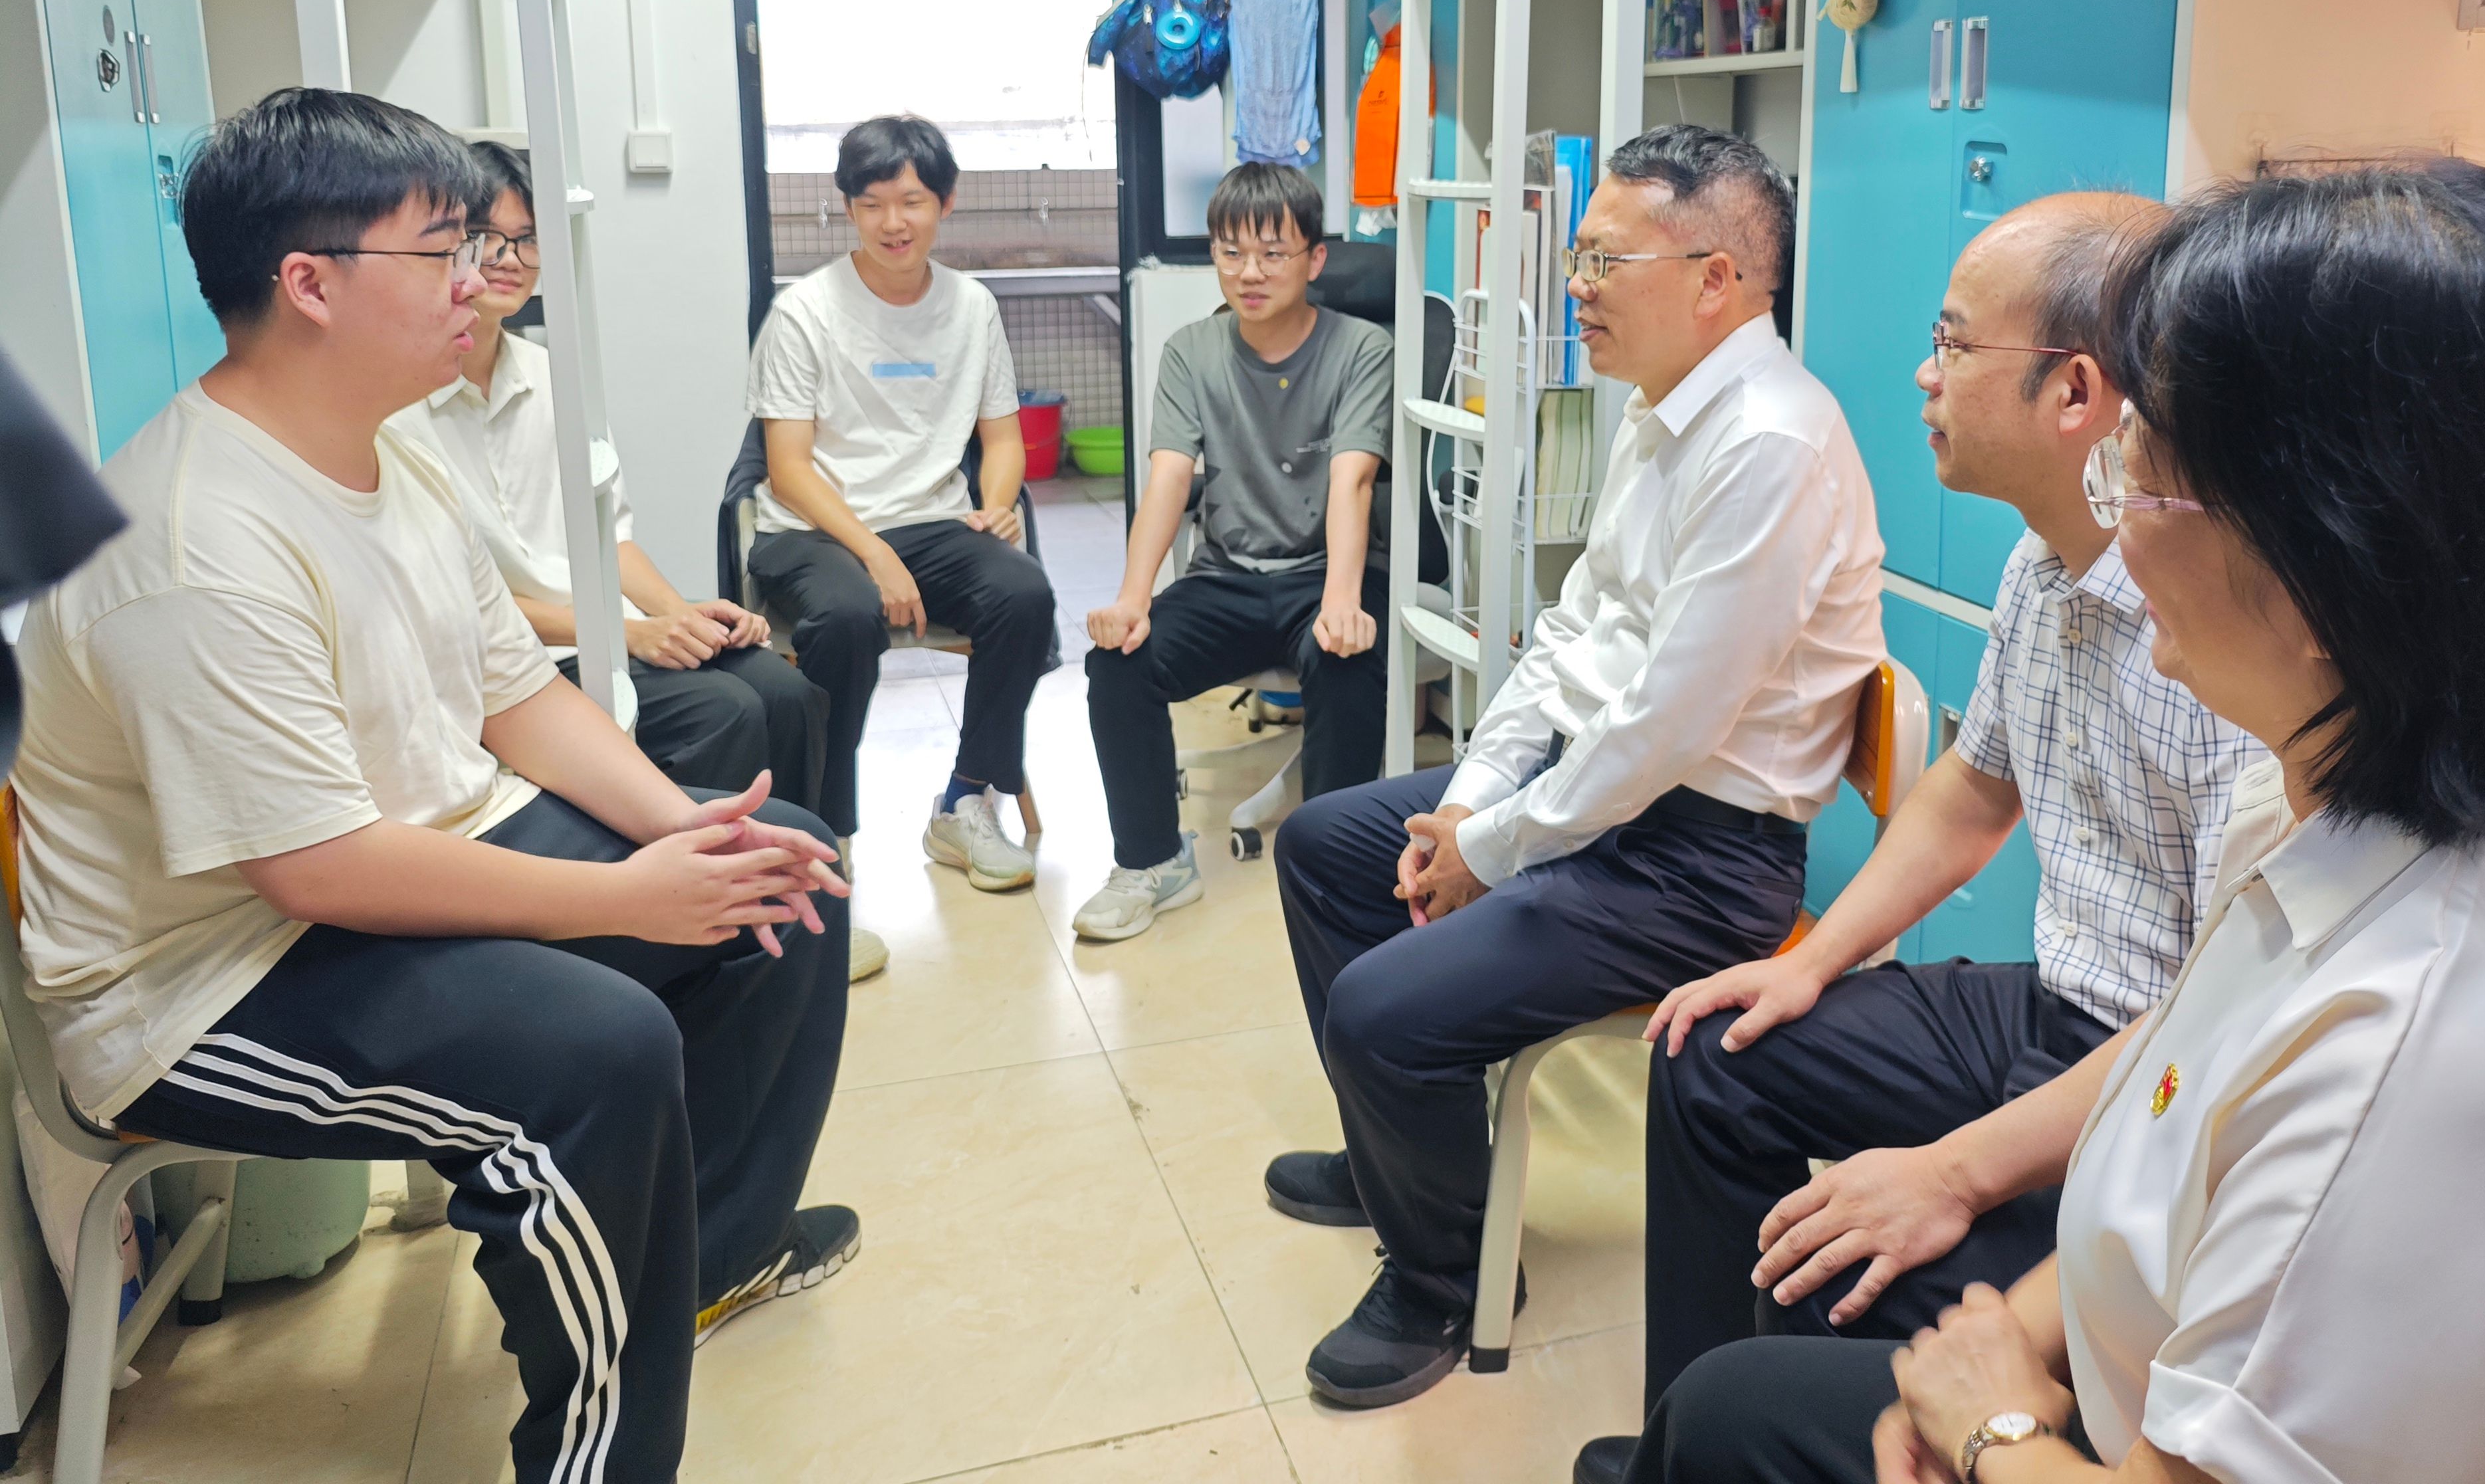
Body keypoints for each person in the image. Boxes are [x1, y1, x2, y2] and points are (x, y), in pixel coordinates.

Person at [1629, 159, 2485, 1484]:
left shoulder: (2431, 1059)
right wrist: (2012, 1329)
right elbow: (2174, 1023)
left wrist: (1989, 1419)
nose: (2123, 525)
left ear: (2329, 564)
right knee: (1729, 1379)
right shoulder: (2382, 773)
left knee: (1768, 1379)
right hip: (2103, 1208)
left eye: (2144, 477)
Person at [10, 90, 858, 1484]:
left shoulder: (386, 442)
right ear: (310, 284)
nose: (480, 281)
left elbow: (515, 696)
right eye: (443, 251)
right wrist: (626, 899)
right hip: (210, 978)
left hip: (386, 857)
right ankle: (598, 1452)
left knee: (783, 867)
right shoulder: (193, 537)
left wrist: (690, 836)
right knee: (593, 1051)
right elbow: (315, 868)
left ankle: (701, 1264)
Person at [1573, 195, 2263, 1483]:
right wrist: (1808, 962)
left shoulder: (2224, 640)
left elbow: (2213, 1028)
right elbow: (1970, 791)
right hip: (2051, 1005)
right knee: (1715, 1051)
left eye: (1952, 343)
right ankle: (1688, 1437)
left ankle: (1743, 1421)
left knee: (1833, 1277)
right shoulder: (2039, 567)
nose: (1921, 374)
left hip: (2156, 1075)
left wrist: (1950, 1174)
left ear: (2075, 393)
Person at [1267, 124, 1888, 1408]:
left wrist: (1490, 852)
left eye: (1605, 259)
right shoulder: (1660, 414)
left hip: (1701, 864)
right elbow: (1569, 639)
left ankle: (1444, 1280)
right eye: (1580, 258)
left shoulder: (1769, 442)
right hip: (1610, 801)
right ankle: (1406, 1163)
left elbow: (1665, 724)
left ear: (1715, 279)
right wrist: (1467, 802)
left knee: (1379, 1012)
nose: (1576, 285)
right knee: (1328, 844)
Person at [396, 140, 825, 808]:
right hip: (520, 658)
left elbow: (610, 539)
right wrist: (626, 632)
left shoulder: (557, 378)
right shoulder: (396, 404)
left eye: (528, 239)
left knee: (788, 694)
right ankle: (701, 875)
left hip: (605, 630)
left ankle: (799, 869)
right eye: (484, 237)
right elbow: (445, 604)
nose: (508, 259)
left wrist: (680, 615)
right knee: (727, 711)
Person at [746, 114, 1057, 920]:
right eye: (873, 203)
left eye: (912, 201)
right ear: (848, 207)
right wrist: (873, 554)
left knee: (1022, 594)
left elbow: (1001, 438)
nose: (893, 222)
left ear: (944, 204)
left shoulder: (971, 305)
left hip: (933, 522)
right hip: (813, 529)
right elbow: (788, 468)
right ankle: (828, 830)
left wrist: (996, 507)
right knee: (846, 617)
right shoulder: (805, 311)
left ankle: (965, 800)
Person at [1075, 160, 1393, 940]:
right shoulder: (1191, 351)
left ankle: (1337, 872)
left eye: (1273, 253)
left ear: (1314, 260)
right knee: (1119, 664)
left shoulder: (1362, 348)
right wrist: (1131, 601)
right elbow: (1166, 480)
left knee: (1347, 659)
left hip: (1323, 573)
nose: (1249, 273)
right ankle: (1153, 863)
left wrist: (1342, 602)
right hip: (1225, 577)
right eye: (1231, 253)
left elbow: (1352, 480)